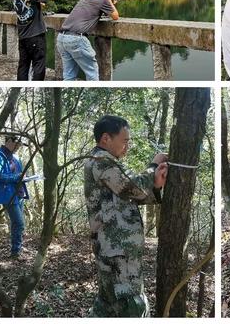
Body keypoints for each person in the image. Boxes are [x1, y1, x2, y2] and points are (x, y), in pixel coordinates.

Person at [84, 115, 168, 317]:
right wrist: (153, 166)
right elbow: (134, 187)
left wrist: (155, 186)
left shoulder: (107, 162)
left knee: (110, 302)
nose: (127, 147)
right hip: (116, 251)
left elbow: (129, 196)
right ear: (106, 139)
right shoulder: (100, 161)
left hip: (117, 248)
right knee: (129, 303)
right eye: (125, 141)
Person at [56, 0, 119, 81]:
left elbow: (95, 11)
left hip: (61, 38)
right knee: (92, 72)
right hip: (76, 39)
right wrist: (109, 0)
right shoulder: (103, 0)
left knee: (69, 75)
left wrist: (108, 3)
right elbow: (115, 16)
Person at [0, 135, 29, 258]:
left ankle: (17, 249)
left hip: (19, 193)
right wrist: (17, 177)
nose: (18, 148)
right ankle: (16, 251)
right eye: (17, 144)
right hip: (8, 194)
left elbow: (20, 174)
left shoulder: (15, 157)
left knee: (16, 224)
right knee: (19, 223)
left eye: (20, 146)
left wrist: (25, 177)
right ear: (9, 141)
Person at [12, 0, 56, 80]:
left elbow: (41, 5)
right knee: (39, 65)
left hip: (23, 37)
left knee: (23, 65)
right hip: (36, 36)